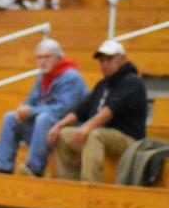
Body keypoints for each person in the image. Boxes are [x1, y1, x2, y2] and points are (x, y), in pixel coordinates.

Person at [0, 38, 89, 176]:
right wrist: (22, 109)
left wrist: (31, 111)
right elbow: (31, 101)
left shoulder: (71, 77)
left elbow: (63, 109)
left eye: (47, 57)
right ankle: (3, 165)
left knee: (43, 118)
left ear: (59, 58)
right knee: (10, 117)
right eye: (39, 58)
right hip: (46, 128)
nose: (43, 61)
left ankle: (35, 168)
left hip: (70, 127)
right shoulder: (42, 77)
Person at [48, 40, 147, 182]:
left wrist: (87, 126)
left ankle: (90, 185)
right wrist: (58, 125)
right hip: (102, 133)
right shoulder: (102, 84)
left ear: (122, 59)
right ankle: (70, 183)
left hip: (129, 139)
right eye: (101, 61)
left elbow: (111, 109)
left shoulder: (132, 82)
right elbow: (81, 109)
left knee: (94, 135)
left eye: (109, 59)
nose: (104, 64)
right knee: (62, 135)